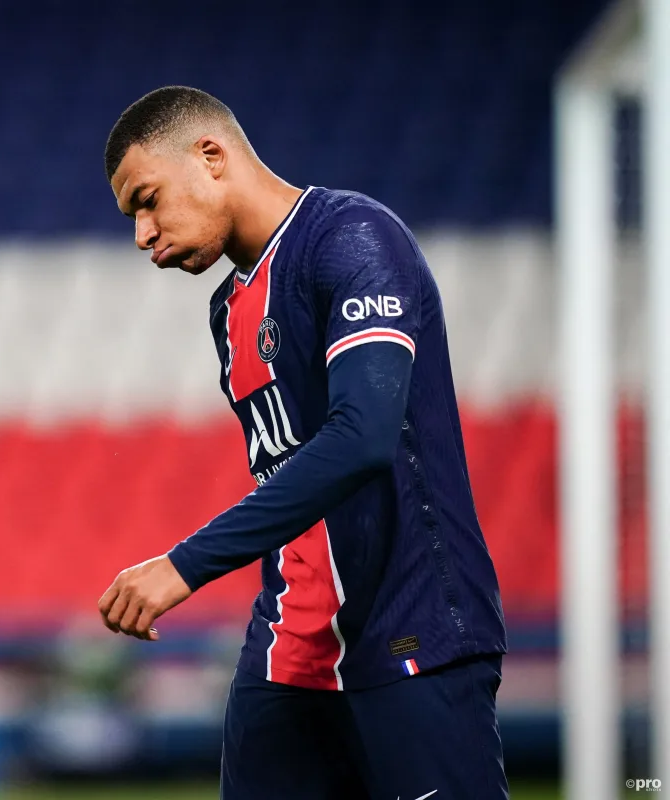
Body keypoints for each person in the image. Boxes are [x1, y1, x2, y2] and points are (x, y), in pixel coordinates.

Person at [97, 86, 509, 800]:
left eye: (148, 199)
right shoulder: (230, 312)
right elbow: (288, 475)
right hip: (288, 651)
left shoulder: (352, 239)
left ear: (211, 157)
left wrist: (184, 565)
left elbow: (363, 438)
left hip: (410, 635)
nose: (142, 233)